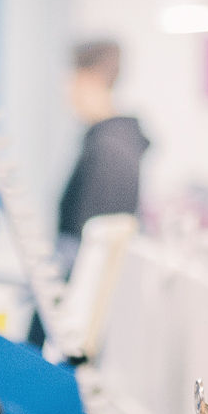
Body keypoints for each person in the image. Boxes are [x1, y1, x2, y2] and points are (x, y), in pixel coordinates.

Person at [54, 37, 152, 260]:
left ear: (92, 79)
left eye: (72, 80)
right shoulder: (110, 141)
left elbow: (93, 248)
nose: (67, 92)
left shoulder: (109, 150)